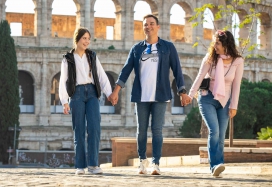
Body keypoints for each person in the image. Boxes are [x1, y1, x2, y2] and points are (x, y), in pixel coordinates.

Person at [108, 14, 191, 175]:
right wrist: (116, 91)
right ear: (143, 27)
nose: (149, 26)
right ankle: (142, 161)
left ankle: (156, 163)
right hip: (141, 95)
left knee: (157, 130)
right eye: (146, 24)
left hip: (160, 95)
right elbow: (126, 70)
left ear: (158, 27)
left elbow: (177, 70)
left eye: (152, 24)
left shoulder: (168, 47)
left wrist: (182, 91)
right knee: (141, 130)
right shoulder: (137, 48)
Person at [187, 30, 244, 176]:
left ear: (226, 44)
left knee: (221, 135)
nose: (215, 46)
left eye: (217, 43)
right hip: (207, 98)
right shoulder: (210, 58)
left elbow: (236, 85)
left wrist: (234, 106)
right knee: (214, 131)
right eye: (215, 43)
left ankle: (219, 164)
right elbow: (200, 76)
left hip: (225, 101)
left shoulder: (238, 61)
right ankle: (215, 165)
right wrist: (190, 94)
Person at [59, 27, 112, 175]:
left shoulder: (92, 56)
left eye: (88, 39)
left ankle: (94, 165)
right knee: (79, 130)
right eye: (84, 38)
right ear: (77, 39)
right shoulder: (67, 58)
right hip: (76, 94)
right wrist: (64, 101)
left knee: (94, 128)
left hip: (92, 93)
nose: (87, 41)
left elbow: (101, 76)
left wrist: (109, 93)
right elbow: (63, 80)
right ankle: (80, 166)